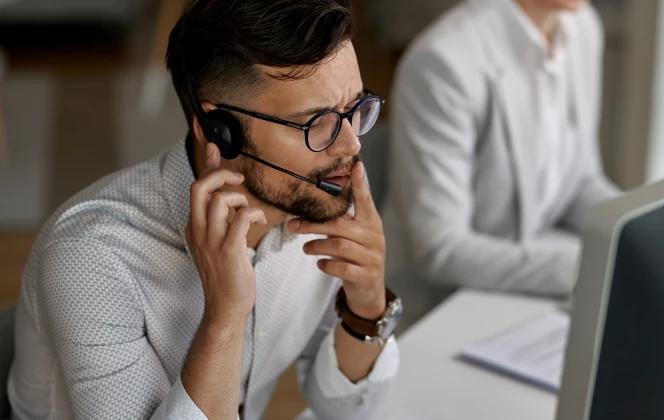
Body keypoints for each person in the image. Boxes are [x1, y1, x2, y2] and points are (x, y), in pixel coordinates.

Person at [8, 1, 402, 419]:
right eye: (315, 122)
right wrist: (225, 317)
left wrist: (367, 306)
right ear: (220, 130)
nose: (350, 146)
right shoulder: (91, 259)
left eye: (355, 109)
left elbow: (343, 409)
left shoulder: (321, 191)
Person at [383, 0, 620, 323]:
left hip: (525, 286)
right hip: (440, 310)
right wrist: (589, 267)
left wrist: (638, 232)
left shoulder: (582, 28)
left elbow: (579, 181)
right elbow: (440, 249)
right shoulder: (444, 61)